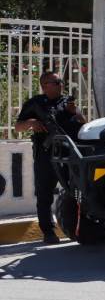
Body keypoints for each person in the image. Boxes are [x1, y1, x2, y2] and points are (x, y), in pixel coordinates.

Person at [14, 72, 86, 244]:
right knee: (44, 193)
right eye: (57, 82)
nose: (61, 84)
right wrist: (31, 123)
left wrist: (74, 112)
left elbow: (83, 122)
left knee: (78, 190)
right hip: (45, 155)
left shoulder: (67, 102)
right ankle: (48, 232)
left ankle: (82, 227)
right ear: (45, 85)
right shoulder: (35, 104)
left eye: (61, 81)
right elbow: (17, 127)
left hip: (68, 153)